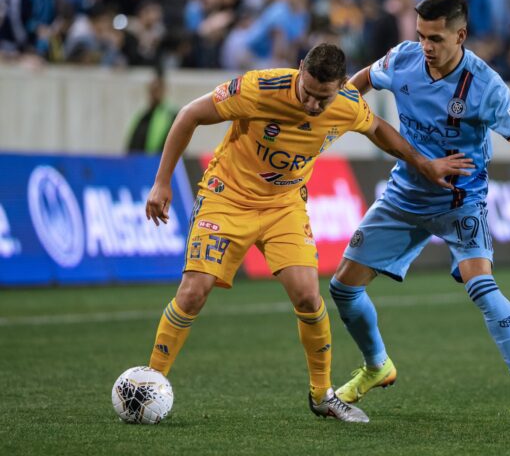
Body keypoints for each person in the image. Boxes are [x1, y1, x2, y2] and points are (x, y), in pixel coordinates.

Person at [143, 43, 473, 423]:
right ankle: (152, 382)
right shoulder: (257, 89)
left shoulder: (348, 103)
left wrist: (422, 163)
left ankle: (322, 395)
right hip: (227, 198)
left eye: (323, 99)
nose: (314, 106)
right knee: (193, 291)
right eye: (309, 93)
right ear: (300, 69)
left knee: (307, 295)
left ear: (338, 88)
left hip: (284, 206)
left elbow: (379, 129)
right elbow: (188, 115)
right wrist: (162, 183)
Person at [328, 0, 510, 426]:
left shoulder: (485, 85)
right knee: (343, 287)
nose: (426, 46)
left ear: (461, 35)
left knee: (482, 287)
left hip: (459, 200)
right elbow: (359, 82)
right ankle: (377, 365)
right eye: (421, 36)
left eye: (435, 38)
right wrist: (327, 108)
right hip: (405, 194)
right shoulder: (403, 59)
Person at [126, 72, 177, 153]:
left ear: (164, 90)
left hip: (161, 163)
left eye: (157, 89)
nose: (154, 93)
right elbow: (132, 145)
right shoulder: (142, 117)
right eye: (152, 90)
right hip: (142, 163)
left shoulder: (173, 115)